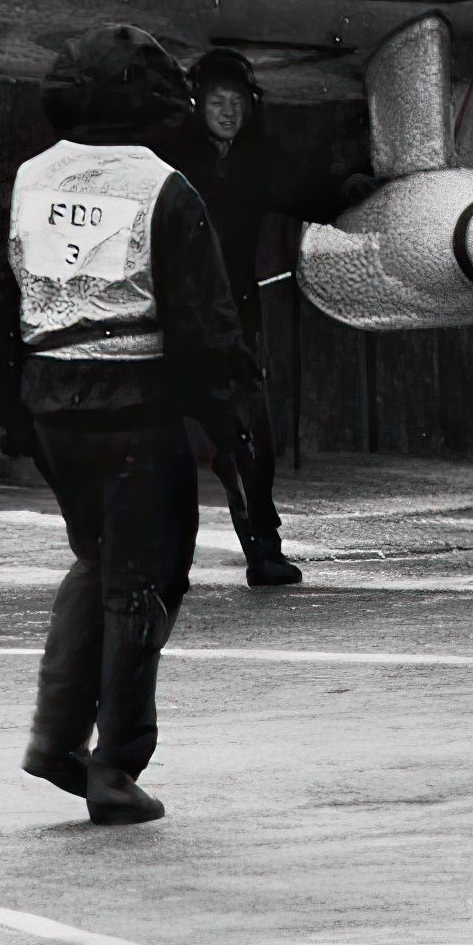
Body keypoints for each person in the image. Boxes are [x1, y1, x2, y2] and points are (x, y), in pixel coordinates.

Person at [8, 24, 251, 824]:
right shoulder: (164, 188)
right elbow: (205, 326)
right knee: (144, 581)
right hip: (136, 409)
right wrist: (227, 424)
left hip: (52, 399)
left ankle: (56, 739)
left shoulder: (31, 179)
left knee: (97, 558)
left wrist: (13, 406)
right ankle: (115, 765)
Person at [165, 48, 302, 585]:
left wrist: (353, 187)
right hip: (174, 322)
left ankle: (263, 552)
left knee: (248, 440)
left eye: (237, 103)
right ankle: (162, 559)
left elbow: (306, 188)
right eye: (218, 102)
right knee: (162, 447)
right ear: (198, 105)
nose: (228, 112)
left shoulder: (257, 161)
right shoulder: (170, 161)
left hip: (234, 320)